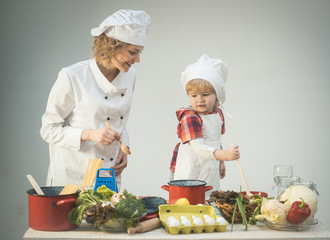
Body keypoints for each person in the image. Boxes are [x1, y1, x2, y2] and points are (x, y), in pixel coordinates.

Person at [40, 9, 151, 189]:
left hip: (107, 174)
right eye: (133, 52)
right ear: (112, 46)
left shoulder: (130, 76)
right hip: (72, 176)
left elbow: (118, 119)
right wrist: (89, 134)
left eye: (140, 52)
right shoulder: (72, 77)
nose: (137, 59)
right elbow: (48, 129)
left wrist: (123, 147)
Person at [170, 54, 240, 198]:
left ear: (217, 95)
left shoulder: (218, 113)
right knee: (189, 200)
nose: (199, 100)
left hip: (210, 166)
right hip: (191, 167)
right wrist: (225, 155)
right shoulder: (190, 116)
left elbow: (216, 140)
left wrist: (220, 162)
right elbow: (199, 147)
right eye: (194, 95)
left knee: (208, 198)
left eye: (205, 94)